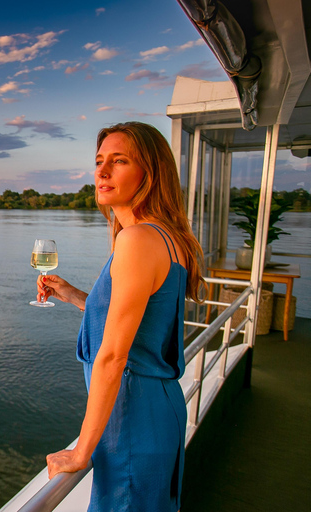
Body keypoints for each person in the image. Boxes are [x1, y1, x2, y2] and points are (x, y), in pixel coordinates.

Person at [37, 122, 204, 511]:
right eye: (99, 162)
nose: (102, 171)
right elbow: (139, 320)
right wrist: (75, 295)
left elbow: (114, 355)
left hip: (131, 417)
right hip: (156, 410)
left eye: (119, 160)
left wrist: (81, 450)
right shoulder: (165, 236)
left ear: (150, 172)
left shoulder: (137, 240)